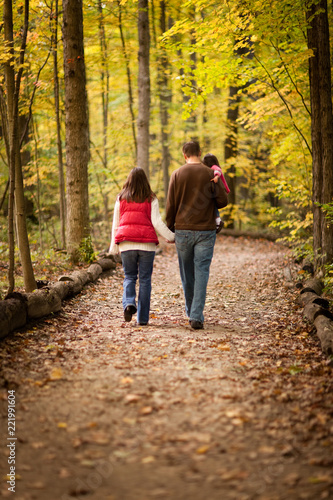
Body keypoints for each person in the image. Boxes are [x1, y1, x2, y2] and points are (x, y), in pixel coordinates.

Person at [166, 141, 228, 330]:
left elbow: (171, 205)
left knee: (187, 274)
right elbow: (223, 201)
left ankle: (191, 312)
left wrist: (170, 230)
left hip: (183, 231)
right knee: (202, 272)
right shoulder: (211, 173)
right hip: (205, 231)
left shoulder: (176, 174)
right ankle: (196, 316)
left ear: (184, 155)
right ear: (199, 153)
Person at [109, 167, 175, 325]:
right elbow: (157, 222)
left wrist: (113, 246)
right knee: (145, 280)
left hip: (126, 244)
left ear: (128, 180)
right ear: (145, 180)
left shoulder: (121, 198)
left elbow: (116, 224)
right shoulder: (150, 198)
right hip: (146, 246)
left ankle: (129, 303)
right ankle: (143, 319)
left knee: (129, 277)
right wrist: (171, 237)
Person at [202, 153, 230, 233]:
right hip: (220, 190)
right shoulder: (212, 169)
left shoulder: (214, 167)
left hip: (222, 190)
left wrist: (216, 176)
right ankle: (217, 219)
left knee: (213, 204)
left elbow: (218, 170)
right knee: (213, 204)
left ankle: (218, 220)